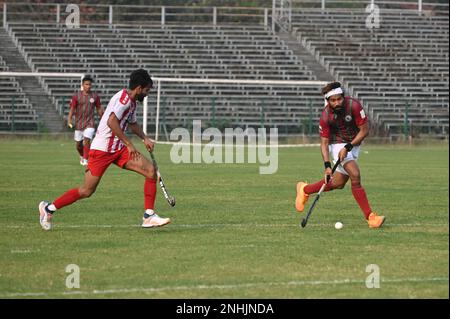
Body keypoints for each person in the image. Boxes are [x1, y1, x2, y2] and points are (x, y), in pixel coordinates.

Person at [39, 69, 171, 230]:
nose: (147, 94)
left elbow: (132, 123)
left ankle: (148, 216)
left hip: (118, 148)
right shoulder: (124, 100)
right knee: (86, 191)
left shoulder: (133, 101)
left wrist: (144, 138)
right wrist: (129, 144)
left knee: (151, 171)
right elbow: (111, 122)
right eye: (146, 90)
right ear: (138, 88)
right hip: (102, 149)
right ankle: (48, 209)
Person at [295, 82, 385, 228]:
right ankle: (371, 217)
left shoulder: (354, 106)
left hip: (353, 143)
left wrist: (349, 146)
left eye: (339, 99)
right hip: (336, 144)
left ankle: (304, 189)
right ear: (328, 101)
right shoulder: (325, 116)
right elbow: (324, 143)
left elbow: (364, 131)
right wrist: (327, 166)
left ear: (343, 97)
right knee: (355, 175)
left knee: (338, 183)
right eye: (333, 100)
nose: (337, 102)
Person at [68, 75, 104, 166]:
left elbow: (99, 108)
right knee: (78, 145)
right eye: (86, 84)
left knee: (87, 140)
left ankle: (85, 159)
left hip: (90, 123)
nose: (88, 86)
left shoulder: (95, 96)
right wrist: (69, 120)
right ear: (83, 85)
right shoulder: (76, 96)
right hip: (79, 123)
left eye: (90, 84)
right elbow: (72, 109)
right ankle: (82, 155)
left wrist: (103, 119)